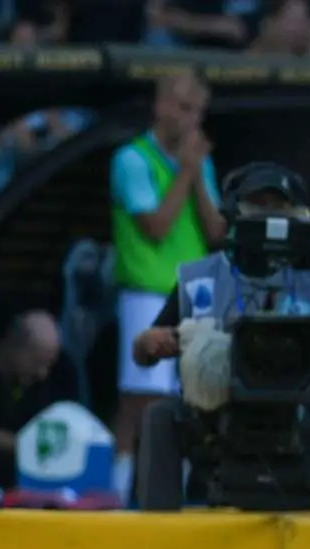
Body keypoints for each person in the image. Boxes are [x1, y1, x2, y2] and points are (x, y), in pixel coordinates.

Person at [132, 161, 310, 511]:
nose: (268, 214)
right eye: (259, 203)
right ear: (234, 210)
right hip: (214, 411)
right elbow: (145, 350)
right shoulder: (199, 277)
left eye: (277, 205)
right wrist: (148, 343)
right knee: (160, 416)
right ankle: (159, 532)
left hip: (293, 408)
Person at [109, 71, 227, 505]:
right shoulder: (132, 159)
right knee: (140, 399)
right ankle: (118, 492)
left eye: (198, 110)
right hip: (145, 289)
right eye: (184, 107)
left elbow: (216, 229)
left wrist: (197, 174)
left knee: (194, 397)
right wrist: (187, 170)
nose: (193, 119)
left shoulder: (199, 162)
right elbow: (155, 226)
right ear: (161, 107)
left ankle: (171, 493)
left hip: (193, 291)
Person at [0, 310, 80, 490]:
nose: (43, 373)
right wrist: (23, 444)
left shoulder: (55, 378)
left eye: (48, 364)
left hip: (27, 485)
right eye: (36, 361)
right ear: (13, 346)